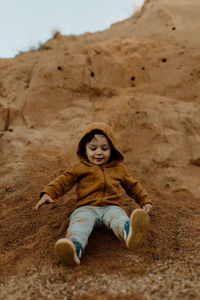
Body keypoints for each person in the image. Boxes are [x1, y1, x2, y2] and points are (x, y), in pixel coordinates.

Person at [34, 122, 153, 265]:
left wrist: (144, 200)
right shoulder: (79, 168)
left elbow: (133, 185)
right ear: (85, 150)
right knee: (79, 225)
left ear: (112, 150)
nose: (98, 152)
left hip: (111, 206)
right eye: (93, 148)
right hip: (86, 208)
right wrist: (48, 193)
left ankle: (129, 233)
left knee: (119, 218)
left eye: (104, 148)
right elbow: (63, 181)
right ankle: (74, 248)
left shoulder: (118, 169)